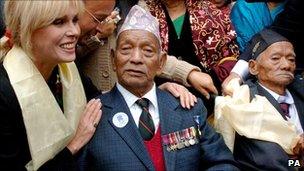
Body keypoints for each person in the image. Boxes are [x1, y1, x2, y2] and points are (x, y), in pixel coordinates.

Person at [77, 5, 239, 170]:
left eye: (147, 51)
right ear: (113, 59)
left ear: (161, 63)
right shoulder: (93, 116)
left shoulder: (188, 109)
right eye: (126, 49)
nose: (136, 59)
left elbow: (223, 164)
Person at [0, 1, 102, 170]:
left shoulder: (66, 68)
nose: (75, 31)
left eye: (75, 20)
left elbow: (98, 102)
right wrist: (73, 146)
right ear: (28, 28)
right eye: (59, 22)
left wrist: (151, 93)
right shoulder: (4, 92)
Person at [77, 0, 218, 100]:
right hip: (89, 99)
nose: (135, 59)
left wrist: (187, 73)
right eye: (98, 19)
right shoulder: (79, 14)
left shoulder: (136, 6)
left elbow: (148, 52)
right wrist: (97, 37)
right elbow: (70, 54)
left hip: (130, 98)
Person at [230, 29, 304, 170]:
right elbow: (275, 162)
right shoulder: (245, 104)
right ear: (253, 67)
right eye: (275, 59)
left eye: (291, 59)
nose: (286, 65)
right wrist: (299, 162)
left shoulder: (300, 92)